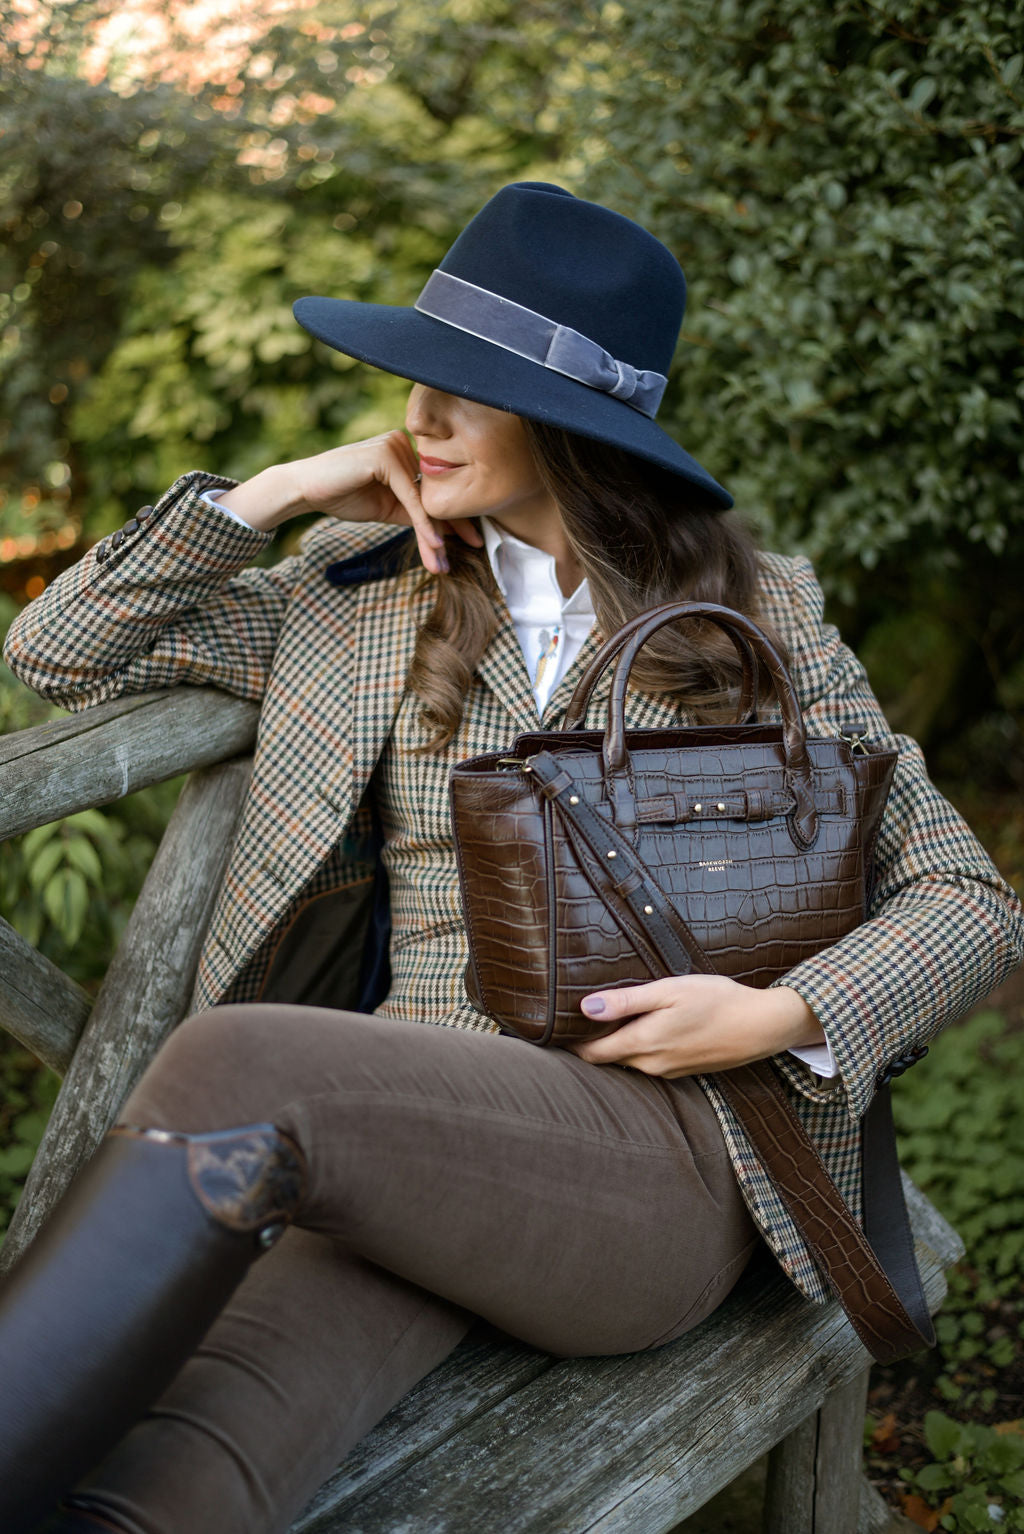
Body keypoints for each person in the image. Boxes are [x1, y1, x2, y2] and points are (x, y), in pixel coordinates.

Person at [1, 182, 1021, 1534]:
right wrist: (282, 490)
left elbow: (967, 898)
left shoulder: (759, 619)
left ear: (578, 428)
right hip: (398, 1159)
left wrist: (780, 1012)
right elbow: (54, 651)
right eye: (420, 375)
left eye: (467, 390)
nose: (419, 416)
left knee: (237, 1056)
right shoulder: (353, 591)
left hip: (657, 1162)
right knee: (189, 1459)